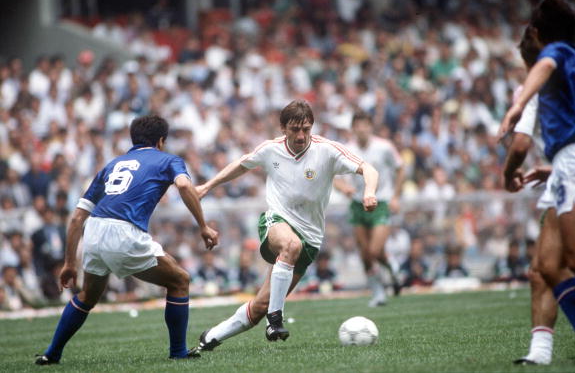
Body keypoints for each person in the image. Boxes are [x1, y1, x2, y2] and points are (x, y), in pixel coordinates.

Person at [194, 99, 378, 349]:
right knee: (290, 245)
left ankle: (210, 337)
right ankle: (275, 319)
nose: (301, 136)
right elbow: (241, 164)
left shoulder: (327, 150)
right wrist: (207, 186)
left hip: (310, 238)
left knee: (260, 305)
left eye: (306, 129)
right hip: (277, 221)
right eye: (295, 129)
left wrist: (369, 191)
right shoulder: (271, 149)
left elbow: (368, 169)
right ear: (283, 128)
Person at [35, 115, 218, 365]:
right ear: (161, 141)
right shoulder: (169, 160)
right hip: (124, 231)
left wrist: (69, 263)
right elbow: (185, 187)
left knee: (88, 294)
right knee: (180, 280)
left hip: (94, 229)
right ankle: (178, 351)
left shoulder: (112, 165)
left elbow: (77, 218)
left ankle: (52, 353)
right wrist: (204, 226)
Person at [499, 0, 575, 364]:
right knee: (547, 265)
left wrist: (519, 103)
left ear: (538, 34)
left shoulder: (555, 56)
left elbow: (522, 143)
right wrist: (553, 170)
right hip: (570, 164)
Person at [334, 111, 404, 306]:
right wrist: (343, 187)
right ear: (353, 129)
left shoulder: (384, 147)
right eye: (357, 125)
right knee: (365, 253)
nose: (361, 129)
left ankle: (391, 267)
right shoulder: (347, 150)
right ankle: (379, 292)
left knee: (374, 250)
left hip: (380, 202)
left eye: (365, 124)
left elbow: (400, 169)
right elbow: (334, 176)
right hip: (357, 204)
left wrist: (396, 196)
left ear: (371, 127)